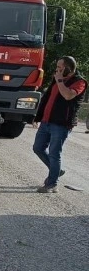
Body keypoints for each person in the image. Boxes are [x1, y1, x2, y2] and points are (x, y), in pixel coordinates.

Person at [32, 56, 87, 193]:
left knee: (54, 153)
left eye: (60, 67)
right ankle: (57, 170)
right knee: (38, 148)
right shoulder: (57, 80)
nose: (57, 70)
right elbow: (47, 98)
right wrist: (37, 117)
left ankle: (52, 184)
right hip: (46, 121)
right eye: (57, 67)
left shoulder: (79, 82)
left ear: (68, 68)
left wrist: (60, 81)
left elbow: (68, 95)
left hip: (61, 124)